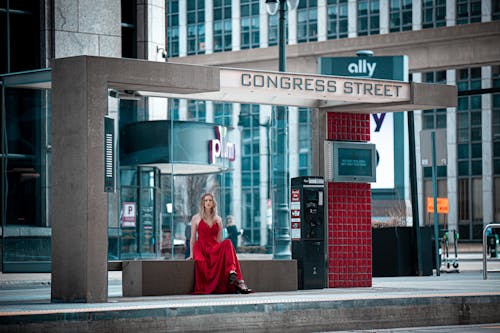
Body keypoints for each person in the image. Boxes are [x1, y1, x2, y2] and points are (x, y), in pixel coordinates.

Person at [186, 193, 252, 294]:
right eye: (206, 200)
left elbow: (218, 240)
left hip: (213, 247)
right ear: (202, 203)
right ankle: (239, 281)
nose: (208, 202)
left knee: (228, 242)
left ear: (213, 203)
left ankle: (232, 271)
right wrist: (191, 254)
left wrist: (220, 253)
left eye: (210, 200)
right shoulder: (196, 218)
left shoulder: (218, 219)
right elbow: (192, 239)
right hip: (201, 248)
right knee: (202, 264)